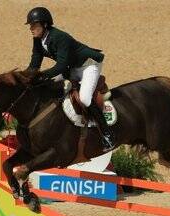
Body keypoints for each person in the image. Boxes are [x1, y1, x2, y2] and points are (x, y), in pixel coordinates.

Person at [25, 7, 116, 152]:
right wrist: (25, 79)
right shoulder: (38, 40)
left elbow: (61, 66)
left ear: (45, 25)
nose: (31, 28)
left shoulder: (59, 37)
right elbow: (34, 64)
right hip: (72, 67)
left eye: (34, 25)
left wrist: (42, 76)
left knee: (85, 98)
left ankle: (107, 135)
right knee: (50, 86)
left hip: (88, 66)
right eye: (30, 26)